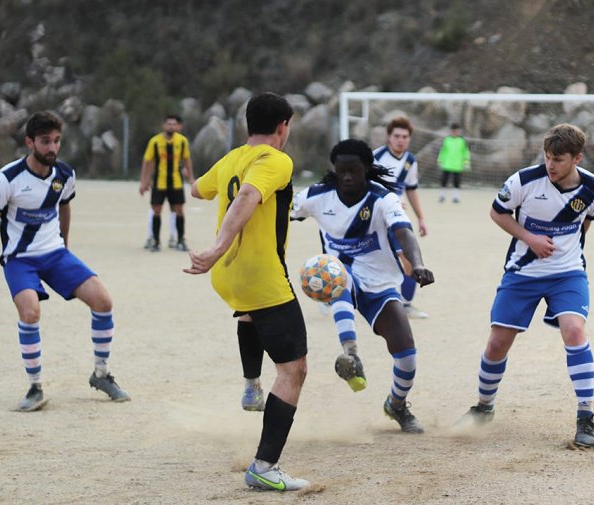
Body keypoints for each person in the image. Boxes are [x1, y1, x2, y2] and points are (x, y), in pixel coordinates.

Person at [183, 92, 309, 491]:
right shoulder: (277, 160)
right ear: (282, 126)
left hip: (228, 277)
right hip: (259, 276)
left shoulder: (232, 158)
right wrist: (217, 246)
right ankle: (265, 467)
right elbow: (248, 196)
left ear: (246, 125)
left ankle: (251, 386)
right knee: (294, 370)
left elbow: (197, 191)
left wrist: (218, 253)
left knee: (249, 312)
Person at [461, 123, 594, 448]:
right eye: (547, 157)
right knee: (497, 343)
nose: (551, 165)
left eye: (558, 159)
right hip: (522, 273)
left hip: (567, 273)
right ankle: (483, 407)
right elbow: (497, 212)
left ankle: (586, 416)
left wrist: (565, 253)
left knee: (574, 330)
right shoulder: (523, 180)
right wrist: (530, 239)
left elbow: (587, 223)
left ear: (577, 158)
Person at [0, 111, 130, 412]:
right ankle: (35, 387)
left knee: (103, 301)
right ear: (29, 142)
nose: (52, 148)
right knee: (31, 313)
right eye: (45, 141)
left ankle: (101, 374)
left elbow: (65, 208)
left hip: (56, 255)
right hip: (20, 259)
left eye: (57, 141)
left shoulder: (65, 175)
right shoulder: (7, 179)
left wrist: (66, 246)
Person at [291, 139, 435, 434]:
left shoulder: (383, 199)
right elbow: (281, 212)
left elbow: (404, 233)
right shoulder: (316, 197)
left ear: (366, 169)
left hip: (380, 282)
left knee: (407, 356)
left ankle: (396, 404)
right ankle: (351, 354)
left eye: (353, 171)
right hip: (337, 275)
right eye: (340, 170)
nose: (346, 177)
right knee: (338, 274)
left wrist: (417, 264)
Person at [373, 116, 429, 319]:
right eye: (397, 135)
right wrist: (384, 198)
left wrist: (421, 218)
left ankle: (406, 304)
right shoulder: (376, 157)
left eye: (405, 136)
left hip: (397, 217)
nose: (401, 140)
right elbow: (363, 186)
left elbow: (411, 190)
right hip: (374, 217)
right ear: (389, 137)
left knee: (408, 257)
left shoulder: (410, 161)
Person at [139, 114, 195, 252]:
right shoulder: (155, 142)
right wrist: (144, 182)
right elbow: (147, 162)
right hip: (159, 182)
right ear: (164, 125)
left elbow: (187, 160)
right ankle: (156, 241)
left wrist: (191, 178)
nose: (171, 126)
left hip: (176, 182)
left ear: (177, 126)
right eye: (168, 124)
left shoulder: (182, 141)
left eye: (174, 124)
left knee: (179, 210)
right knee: (157, 210)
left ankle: (180, 240)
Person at [437, 123, 470, 203]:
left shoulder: (462, 141)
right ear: (451, 131)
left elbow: (466, 152)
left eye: (456, 131)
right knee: (444, 181)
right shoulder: (447, 140)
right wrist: (440, 160)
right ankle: (442, 196)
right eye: (453, 131)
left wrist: (466, 162)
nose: (455, 132)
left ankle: (456, 197)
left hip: (457, 165)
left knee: (456, 182)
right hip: (447, 164)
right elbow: (443, 151)